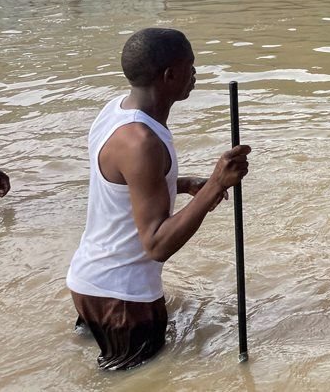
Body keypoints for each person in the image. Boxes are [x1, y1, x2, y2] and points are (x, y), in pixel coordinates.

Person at [66, 28, 251, 371]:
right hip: (124, 302)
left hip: (89, 282)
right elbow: (157, 245)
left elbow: (121, 185)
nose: (194, 75)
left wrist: (181, 184)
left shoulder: (115, 111)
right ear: (170, 75)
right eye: (190, 67)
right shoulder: (143, 142)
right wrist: (215, 184)